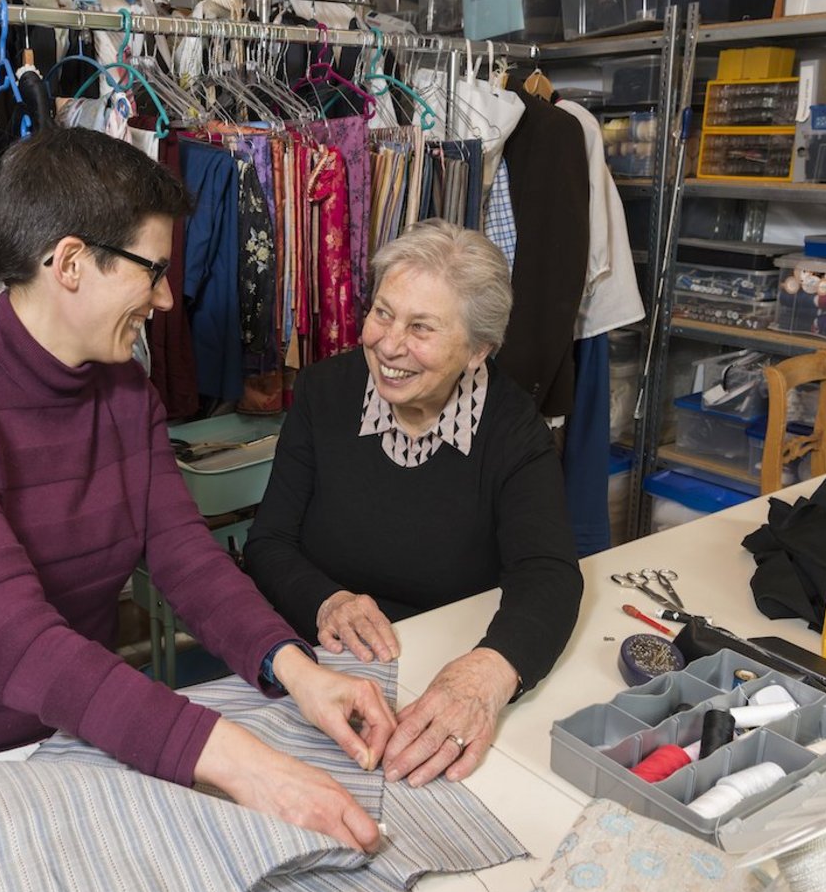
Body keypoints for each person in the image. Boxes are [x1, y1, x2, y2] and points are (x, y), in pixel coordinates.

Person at [0, 127, 396, 852]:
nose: (166, 299)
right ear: (70, 262)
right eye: (152, 269)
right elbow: (15, 644)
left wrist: (299, 672)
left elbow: (185, 558)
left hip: (68, 737)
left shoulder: (127, 392)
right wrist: (245, 764)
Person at [245, 219, 583, 789]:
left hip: (441, 667)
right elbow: (269, 541)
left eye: (421, 328)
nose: (388, 345)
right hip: (322, 666)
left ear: (479, 350)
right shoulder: (326, 392)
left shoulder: (512, 429)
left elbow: (548, 573)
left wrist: (485, 675)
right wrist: (326, 601)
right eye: (383, 313)